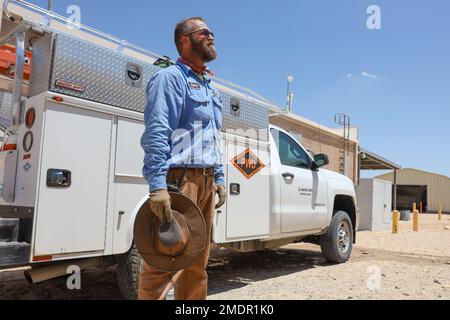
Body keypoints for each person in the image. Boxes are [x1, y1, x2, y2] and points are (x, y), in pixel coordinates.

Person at [139, 17, 226, 300]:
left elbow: (213, 136)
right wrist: (157, 186)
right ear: (185, 41)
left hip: (206, 181)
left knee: (196, 265)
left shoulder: (210, 86)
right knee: (162, 262)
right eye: (204, 32)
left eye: (212, 32)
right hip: (180, 181)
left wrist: (220, 178)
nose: (211, 36)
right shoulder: (170, 78)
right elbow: (157, 131)